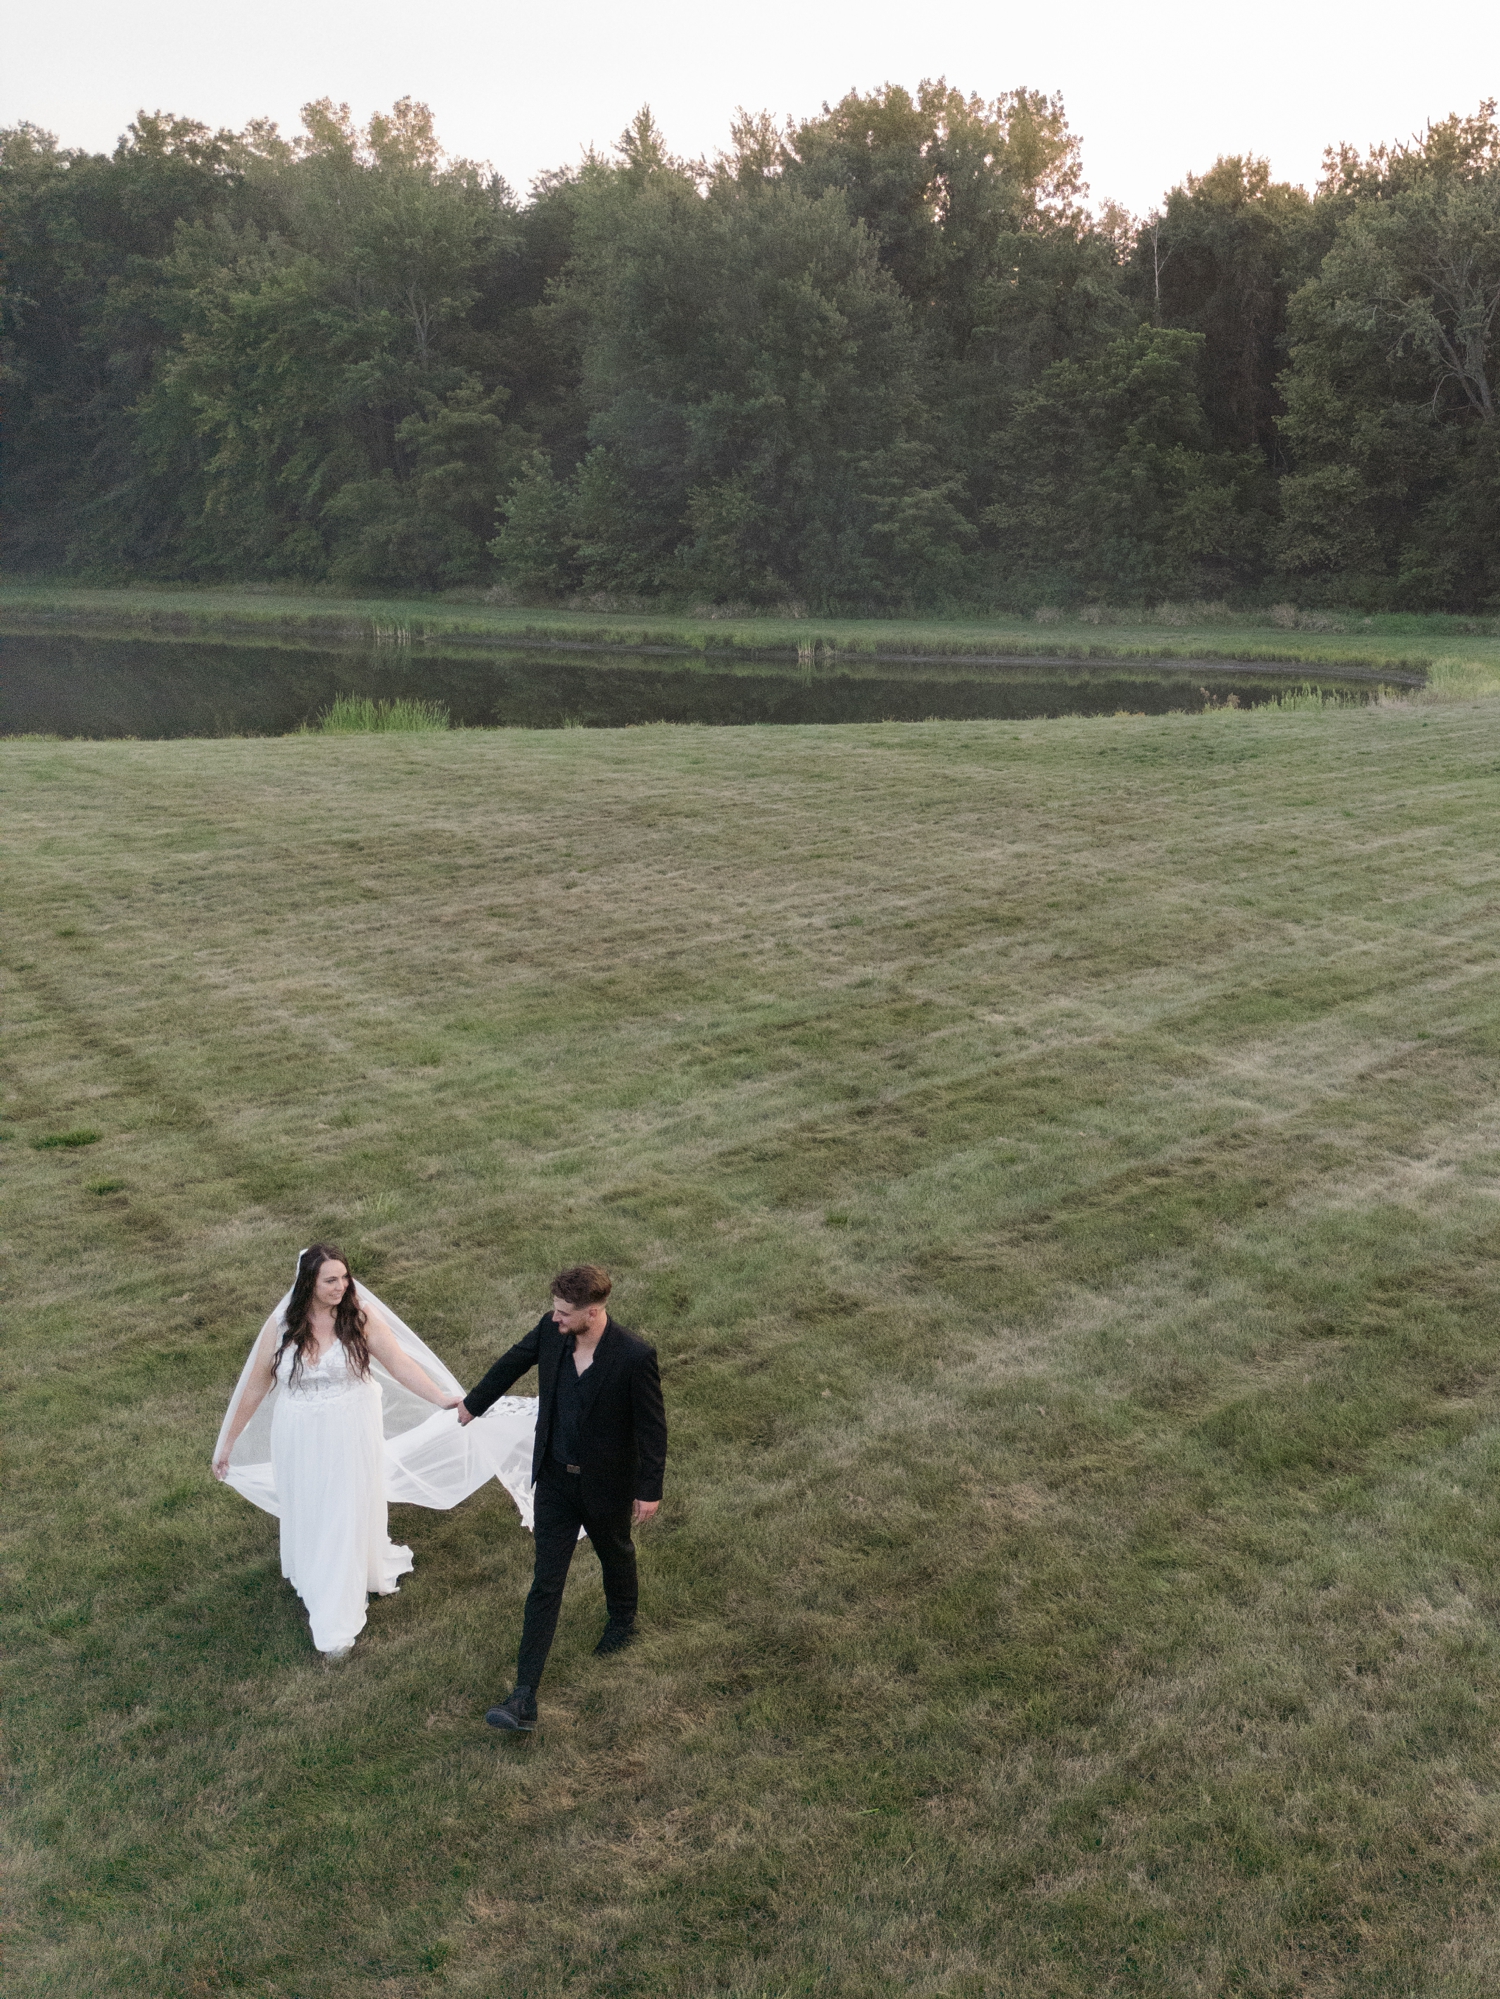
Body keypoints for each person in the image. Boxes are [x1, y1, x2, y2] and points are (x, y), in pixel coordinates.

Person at [213, 1245, 538, 1658]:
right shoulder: (281, 1325)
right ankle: (318, 1569)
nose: (340, 1286)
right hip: (297, 1434)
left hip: (350, 1429)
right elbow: (257, 1384)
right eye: (329, 1280)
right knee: (311, 1505)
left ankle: (335, 1618)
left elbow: (400, 1365)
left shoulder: (360, 1317)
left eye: (344, 1278)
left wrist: (441, 1399)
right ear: (307, 1283)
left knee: (342, 1509)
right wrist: (228, 1442)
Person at [459, 1263, 667, 1731]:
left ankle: (623, 1621)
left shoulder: (633, 1356)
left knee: (615, 1551)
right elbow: (514, 1360)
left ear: (592, 1313)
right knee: (546, 1581)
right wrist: (474, 1404)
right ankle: (523, 1697)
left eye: (564, 1313)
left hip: (606, 1483)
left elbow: (652, 1428)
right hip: (553, 1478)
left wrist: (648, 1488)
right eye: (553, 1311)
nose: (554, 1319)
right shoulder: (552, 1334)